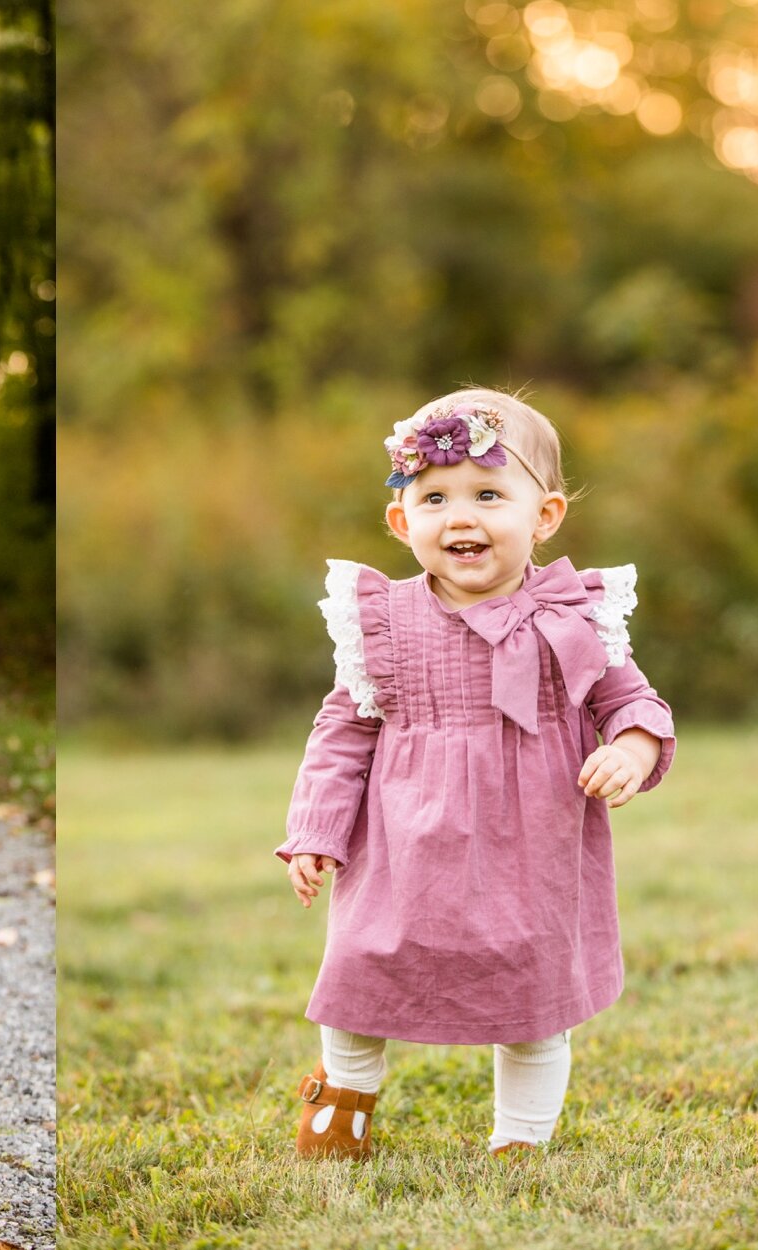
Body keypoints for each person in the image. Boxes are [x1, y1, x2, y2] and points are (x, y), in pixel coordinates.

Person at [276, 389, 677, 1160]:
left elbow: (636, 702)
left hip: (534, 845)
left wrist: (630, 749)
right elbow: (341, 734)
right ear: (402, 522)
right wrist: (314, 832)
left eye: (489, 494)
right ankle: (340, 1115)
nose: (460, 517)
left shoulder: (574, 614)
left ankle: (519, 1143)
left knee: (533, 993)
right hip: (401, 843)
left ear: (544, 516)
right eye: (434, 498)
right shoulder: (382, 621)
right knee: (361, 969)